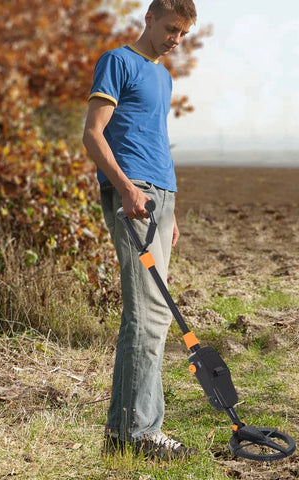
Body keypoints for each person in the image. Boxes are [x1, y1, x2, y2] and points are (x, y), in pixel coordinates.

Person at [82, 0, 197, 460]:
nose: (176, 40)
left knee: (156, 314)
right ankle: (140, 433)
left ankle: (123, 432)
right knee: (147, 313)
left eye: (183, 34)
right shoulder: (118, 62)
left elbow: (154, 139)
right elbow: (93, 133)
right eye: (171, 29)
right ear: (149, 18)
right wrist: (127, 189)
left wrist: (171, 211)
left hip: (160, 198)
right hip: (134, 195)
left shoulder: (163, 77)